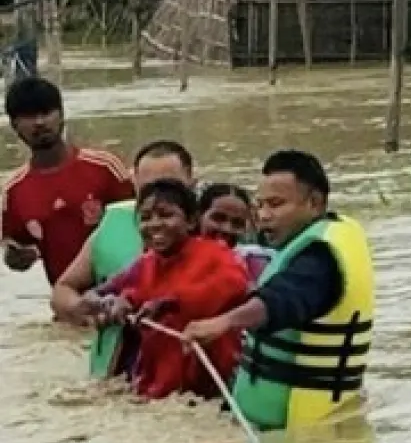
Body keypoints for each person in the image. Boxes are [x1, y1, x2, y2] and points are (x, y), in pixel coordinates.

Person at [182, 149, 374, 431]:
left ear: (314, 203)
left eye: (275, 204)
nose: (264, 215)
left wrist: (225, 322)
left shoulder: (320, 259)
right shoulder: (300, 240)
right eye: (259, 205)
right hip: (272, 428)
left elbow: (281, 300)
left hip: (307, 437)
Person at [86, 179, 250, 402]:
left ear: (191, 221)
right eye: (145, 218)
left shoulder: (220, 256)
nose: (154, 224)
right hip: (154, 388)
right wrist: (115, 302)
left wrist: (171, 303)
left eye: (165, 215)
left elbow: (231, 286)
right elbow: (96, 295)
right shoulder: (145, 264)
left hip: (210, 391)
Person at [50, 139, 195, 379]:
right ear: (134, 186)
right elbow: (62, 290)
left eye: (171, 188)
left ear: (192, 184)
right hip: (117, 372)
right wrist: (83, 310)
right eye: (149, 189)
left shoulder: (217, 228)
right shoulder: (112, 226)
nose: (160, 198)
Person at [1, 75, 132, 284]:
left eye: (46, 113)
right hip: (69, 301)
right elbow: (16, 251)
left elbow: (140, 225)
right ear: (15, 125)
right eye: (30, 116)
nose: (40, 122)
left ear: (61, 115)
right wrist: (18, 258)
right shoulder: (14, 191)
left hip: (124, 293)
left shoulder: (105, 167)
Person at [197, 182, 273, 282]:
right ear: (198, 216)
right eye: (218, 218)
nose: (227, 229)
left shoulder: (254, 261)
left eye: (237, 223)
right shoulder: (177, 257)